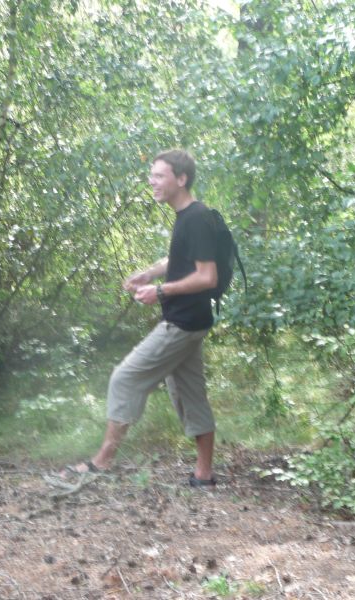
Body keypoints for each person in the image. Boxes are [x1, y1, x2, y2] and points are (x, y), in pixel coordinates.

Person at [63, 149, 219, 487]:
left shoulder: (196, 218)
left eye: (159, 175)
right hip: (192, 321)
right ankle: (204, 474)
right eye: (152, 175)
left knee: (124, 379)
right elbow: (182, 257)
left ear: (182, 179)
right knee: (190, 396)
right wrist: (150, 273)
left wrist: (160, 291)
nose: (152, 181)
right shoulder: (189, 216)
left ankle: (102, 462)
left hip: (181, 324)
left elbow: (208, 276)